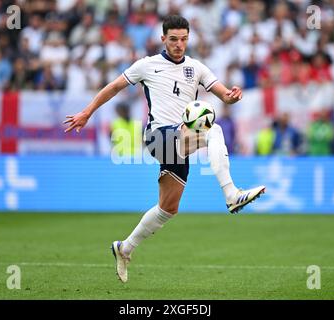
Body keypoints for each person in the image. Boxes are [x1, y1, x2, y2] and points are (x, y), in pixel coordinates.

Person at [63, 15, 265, 283]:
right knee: (213, 129)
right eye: (173, 39)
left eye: (183, 39)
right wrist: (87, 112)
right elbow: (114, 87)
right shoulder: (147, 65)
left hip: (181, 139)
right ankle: (231, 194)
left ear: (188, 39)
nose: (179, 44)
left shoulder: (197, 68)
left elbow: (224, 94)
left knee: (168, 208)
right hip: (159, 136)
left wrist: (233, 96)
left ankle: (124, 248)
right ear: (163, 39)